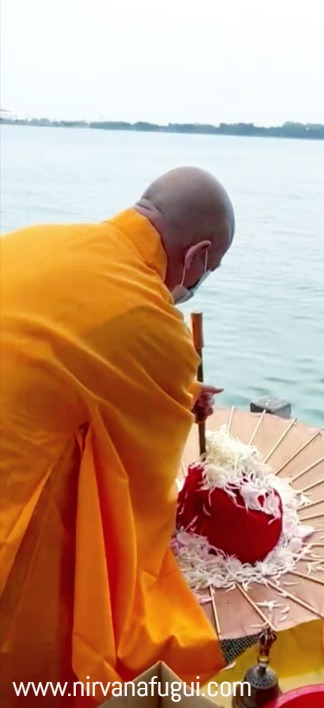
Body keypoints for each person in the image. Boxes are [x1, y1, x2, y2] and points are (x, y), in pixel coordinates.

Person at [0, 166, 235, 705]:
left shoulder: (37, 239)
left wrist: (174, 389)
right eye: (209, 269)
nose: (198, 282)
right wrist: (179, 391)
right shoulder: (153, 320)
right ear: (197, 257)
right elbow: (145, 475)